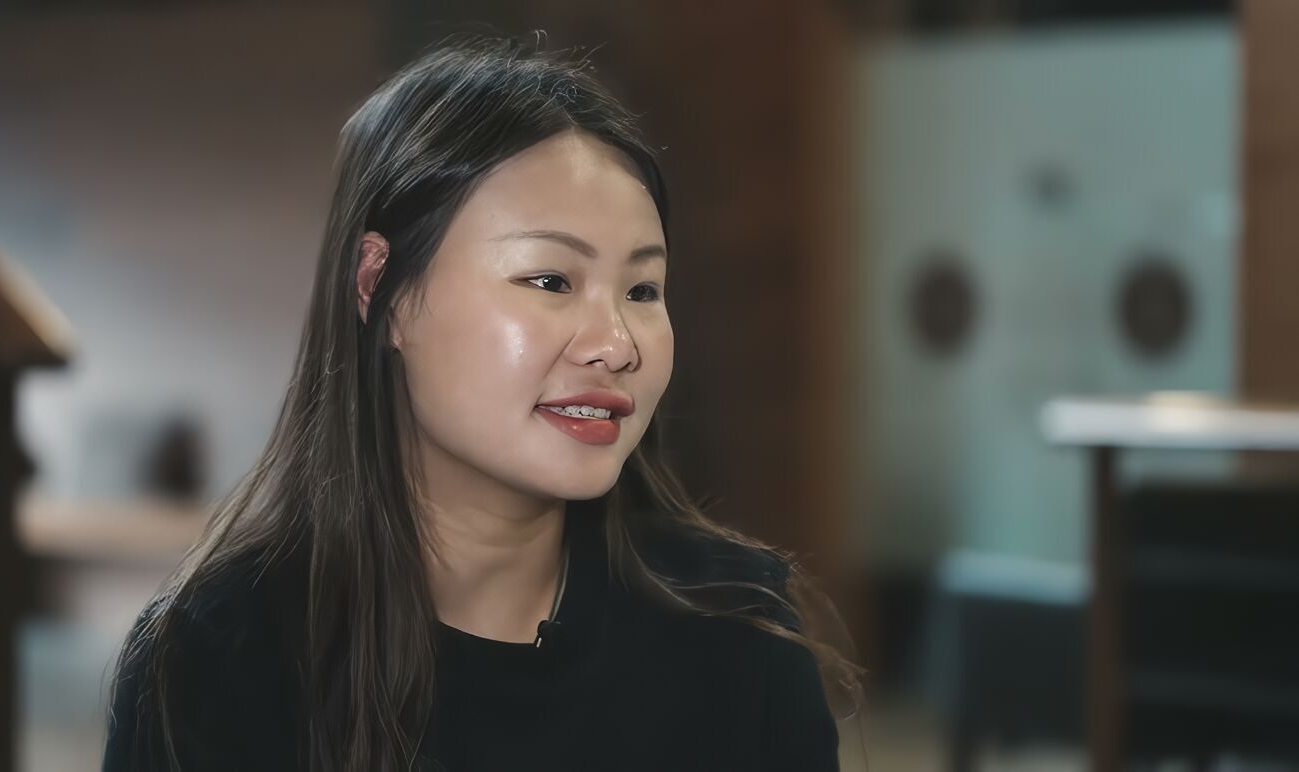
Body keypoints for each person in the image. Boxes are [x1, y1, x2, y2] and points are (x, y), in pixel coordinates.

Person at [101, 33, 862, 772]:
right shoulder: (214, 662)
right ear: (379, 288)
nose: (616, 344)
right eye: (550, 280)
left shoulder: (740, 631)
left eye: (642, 289)